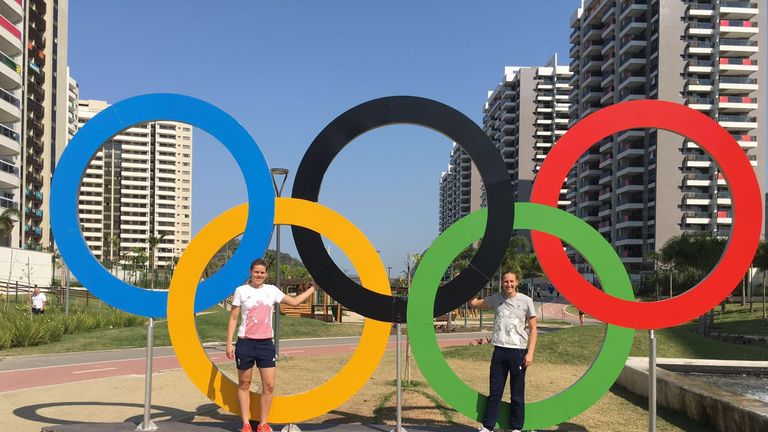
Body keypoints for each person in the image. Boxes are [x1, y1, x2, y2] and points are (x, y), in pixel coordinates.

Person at [226, 258, 316, 432]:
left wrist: (314, 288)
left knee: (269, 385)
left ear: (266, 274)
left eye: (262, 272)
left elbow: (295, 302)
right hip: (245, 343)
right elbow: (233, 319)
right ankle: (245, 424)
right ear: (250, 273)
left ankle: (263, 424)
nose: (259, 275)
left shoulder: (272, 290)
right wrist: (229, 343)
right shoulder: (241, 291)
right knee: (244, 383)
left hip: (266, 344)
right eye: (256, 272)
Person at [470, 271, 537, 432]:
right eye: (506, 281)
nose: (509, 284)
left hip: (519, 352)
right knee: (495, 391)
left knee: (517, 393)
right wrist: (471, 285)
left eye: (511, 281)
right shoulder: (496, 298)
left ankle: (516, 428)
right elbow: (475, 303)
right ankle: (488, 426)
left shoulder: (526, 301)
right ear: (502, 283)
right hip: (499, 350)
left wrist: (530, 353)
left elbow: (534, 328)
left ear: (517, 282)